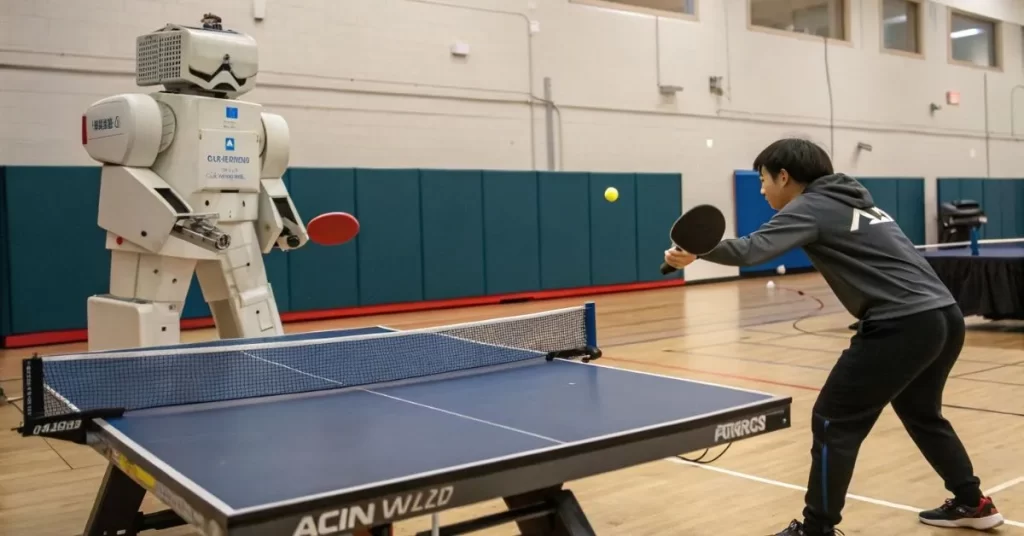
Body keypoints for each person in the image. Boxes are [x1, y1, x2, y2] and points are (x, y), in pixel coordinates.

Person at [663, 138, 1004, 536]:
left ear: (785, 176)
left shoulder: (811, 205)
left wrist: (699, 252)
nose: (761, 189)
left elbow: (753, 250)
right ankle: (972, 502)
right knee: (922, 413)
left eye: (763, 179)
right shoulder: (858, 202)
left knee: (833, 421)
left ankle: (817, 529)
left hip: (902, 323)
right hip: (944, 316)